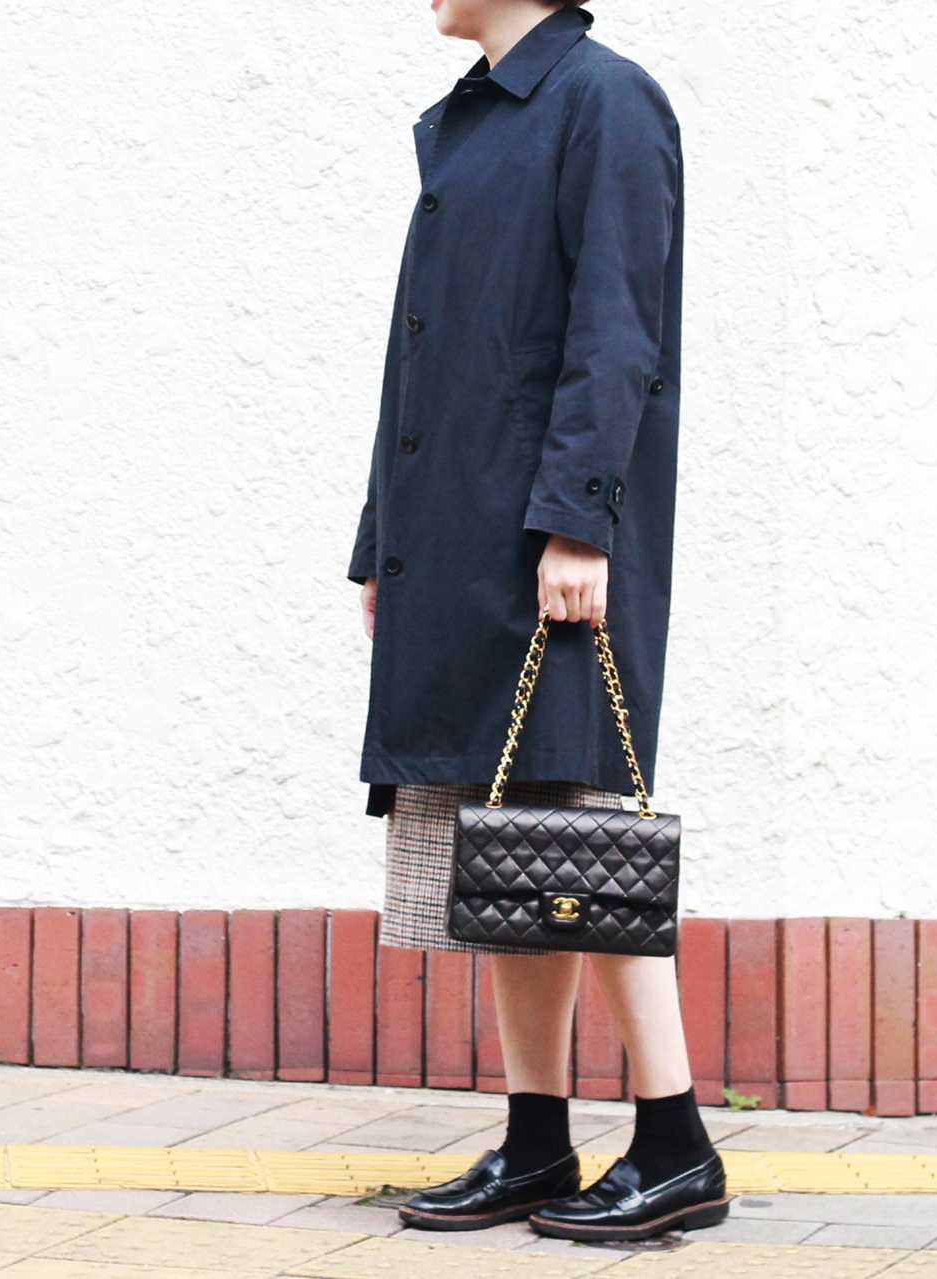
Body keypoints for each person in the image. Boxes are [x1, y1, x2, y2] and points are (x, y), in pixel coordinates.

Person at [346, 0, 723, 1244]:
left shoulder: (605, 100)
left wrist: (578, 521)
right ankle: (536, 1138)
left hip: (545, 540)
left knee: (584, 820)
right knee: (509, 837)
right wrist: (380, 540)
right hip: (459, 538)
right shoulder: (475, 119)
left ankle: (676, 1143)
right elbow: (419, 358)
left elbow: (618, 330)